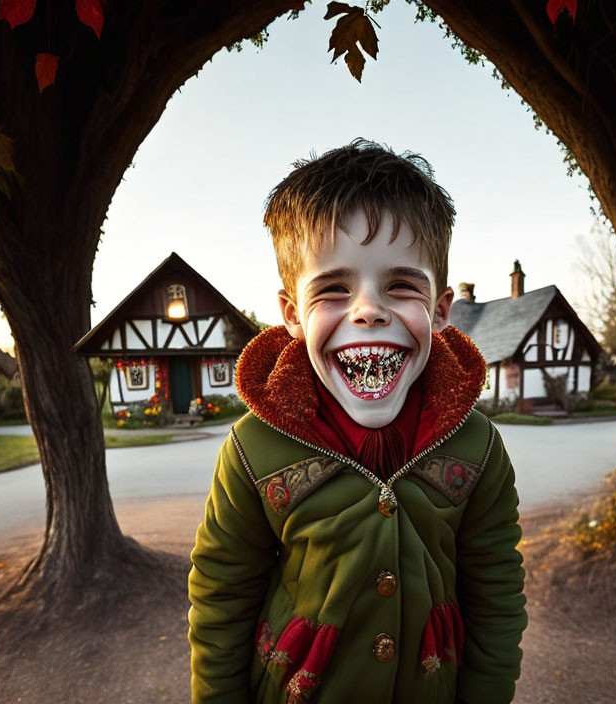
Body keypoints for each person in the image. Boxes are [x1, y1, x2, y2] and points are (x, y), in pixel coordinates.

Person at [188, 139, 526, 704]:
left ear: (441, 311)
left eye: (400, 284)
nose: (369, 309)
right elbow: (222, 591)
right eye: (334, 288)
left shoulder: (479, 448)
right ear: (293, 316)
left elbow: (496, 592)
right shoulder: (251, 449)